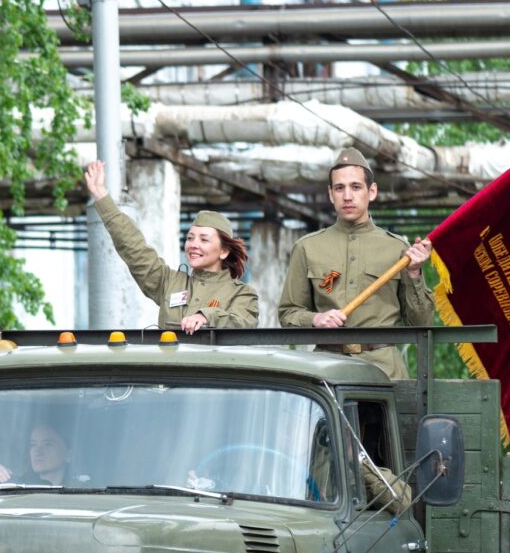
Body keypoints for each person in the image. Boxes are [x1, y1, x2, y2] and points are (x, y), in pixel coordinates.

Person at [277, 147, 435, 379]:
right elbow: (288, 313)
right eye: (339, 188)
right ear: (331, 194)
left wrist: (414, 272)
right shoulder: (307, 247)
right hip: (326, 370)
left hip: (385, 373)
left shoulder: (399, 249)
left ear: (372, 192)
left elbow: (421, 323)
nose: (347, 196)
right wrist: (315, 319)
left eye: (356, 187)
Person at [83, 161, 259, 333]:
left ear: (224, 251)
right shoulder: (170, 283)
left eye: (204, 240)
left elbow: (242, 322)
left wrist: (207, 317)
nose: (193, 245)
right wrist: (101, 197)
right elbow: (135, 249)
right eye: (190, 238)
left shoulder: (242, 294)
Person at [0, 424, 81, 490]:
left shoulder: (83, 491)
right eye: (33, 445)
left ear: (68, 454)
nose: (37, 451)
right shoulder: (14, 486)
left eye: (48, 444)